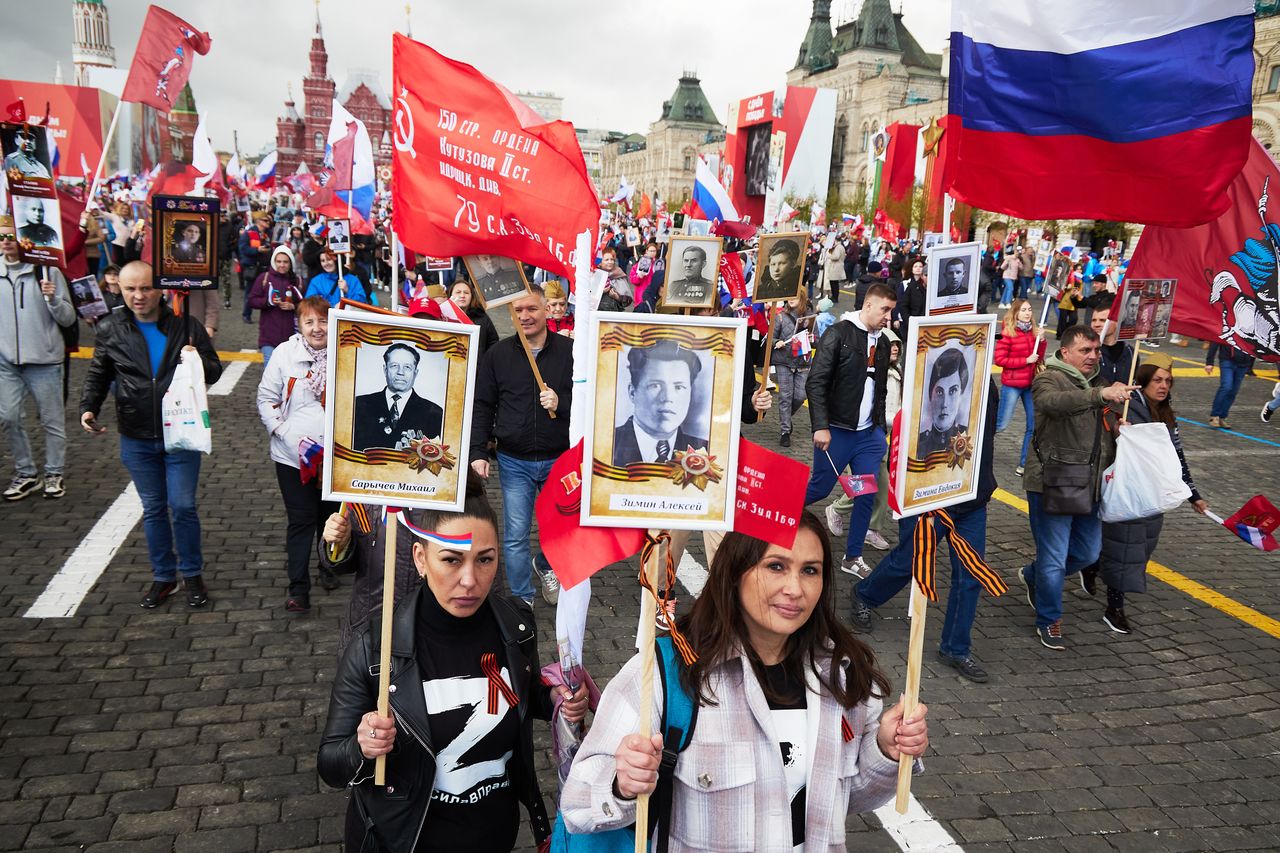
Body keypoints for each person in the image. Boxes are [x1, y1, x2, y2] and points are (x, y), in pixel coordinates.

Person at [560, 512, 930, 849]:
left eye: (810, 570)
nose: (795, 589)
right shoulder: (665, 673)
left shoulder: (841, 675)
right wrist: (622, 783)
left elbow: (847, 797)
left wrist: (885, 750)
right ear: (735, 572)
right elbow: (577, 803)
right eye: (776, 566)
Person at [317, 476, 588, 853]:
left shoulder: (515, 626)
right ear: (420, 559)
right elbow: (331, 764)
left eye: (485, 560)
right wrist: (362, 747)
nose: (469, 580)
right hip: (405, 841)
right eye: (451, 559)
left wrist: (554, 698)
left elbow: (518, 694)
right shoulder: (377, 650)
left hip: (494, 835)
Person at [80, 261, 223, 608]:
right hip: (136, 434)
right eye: (130, 289)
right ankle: (164, 577)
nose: (138, 296)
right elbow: (99, 372)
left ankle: (192, 573)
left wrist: (197, 361)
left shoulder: (185, 326)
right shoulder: (111, 328)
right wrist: (89, 407)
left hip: (181, 431)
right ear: (119, 289)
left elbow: (215, 370)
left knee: (183, 506)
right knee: (154, 508)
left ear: (160, 288)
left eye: (145, 288)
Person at [851, 378, 1000, 682]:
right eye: (942, 392)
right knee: (909, 561)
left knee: (970, 576)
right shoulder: (924, 376)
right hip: (930, 495)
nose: (947, 399)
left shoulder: (986, 385)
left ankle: (955, 648)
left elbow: (985, 438)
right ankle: (864, 594)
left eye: (955, 391)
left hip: (972, 498)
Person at [1021, 326, 1134, 649]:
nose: (1093, 356)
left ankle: (1033, 575)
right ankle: (1049, 618)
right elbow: (1056, 404)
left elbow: (1099, 423)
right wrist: (1100, 395)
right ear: (1066, 351)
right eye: (1086, 350)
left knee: (1087, 552)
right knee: (1055, 557)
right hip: (1053, 481)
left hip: (1090, 483)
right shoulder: (1048, 378)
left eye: (1096, 351)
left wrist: (1116, 426)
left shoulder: (1098, 381)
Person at [1082, 355, 1208, 634]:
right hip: (1128, 491)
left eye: (1168, 381)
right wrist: (1118, 431)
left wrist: (1193, 495)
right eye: (1158, 380)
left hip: (1153, 494)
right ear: (1144, 381)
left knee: (1139, 549)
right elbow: (1103, 433)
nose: (1163, 386)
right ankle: (1114, 607)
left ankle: (1092, 565)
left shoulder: (1165, 412)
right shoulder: (1126, 407)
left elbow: (1176, 456)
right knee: (1124, 549)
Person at [470, 290, 571, 606]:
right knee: (515, 536)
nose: (525, 316)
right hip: (514, 459)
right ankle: (522, 599)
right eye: (518, 310)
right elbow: (483, 404)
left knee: (560, 531)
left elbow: (592, 399)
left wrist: (562, 403)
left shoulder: (570, 351)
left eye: (532, 308)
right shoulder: (498, 355)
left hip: (559, 457)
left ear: (547, 310)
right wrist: (477, 452)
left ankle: (547, 566)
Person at [805, 283, 896, 578]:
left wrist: (879, 430)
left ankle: (852, 556)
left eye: (892, 311)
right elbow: (815, 382)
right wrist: (820, 426)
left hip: (867, 438)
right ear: (868, 305)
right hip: (837, 432)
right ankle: (776, 519)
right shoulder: (838, 334)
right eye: (885, 310)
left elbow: (879, 390)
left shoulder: (882, 343)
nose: (889, 317)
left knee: (865, 493)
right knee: (819, 488)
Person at [257, 295, 341, 612]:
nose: (317, 328)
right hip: (292, 455)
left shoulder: (346, 350)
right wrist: (282, 430)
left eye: (322, 321)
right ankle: (298, 586)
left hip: (333, 453)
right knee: (301, 518)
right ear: (299, 324)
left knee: (329, 516)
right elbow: (266, 398)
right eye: (309, 322)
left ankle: (328, 565)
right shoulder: (284, 354)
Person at [0, 214, 74, 500]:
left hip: (44, 360)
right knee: (7, 417)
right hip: (7, 361)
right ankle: (26, 473)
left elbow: (67, 319)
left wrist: (53, 298)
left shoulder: (46, 271)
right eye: (2, 237)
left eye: (11, 236)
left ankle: (54, 472)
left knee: (51, 420)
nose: (6, 242)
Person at [826, 328, 903, 552]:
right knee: (872, 483)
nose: (895, 348)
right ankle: (839, 510)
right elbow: (876, 409)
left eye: (898, 344)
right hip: (865, 435)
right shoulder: (876, 374)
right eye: (891, 343)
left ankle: (869, 528)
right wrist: (899, 419)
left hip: (881, 436)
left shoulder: (895, 373)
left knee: (877, 485)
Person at [612, 340, 708, 466]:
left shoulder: (706, 451)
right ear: (632, 392)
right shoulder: (605, 444)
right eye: (655, 385)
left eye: (679, 387)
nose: (667, 397)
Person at [352, 343, 444, 451]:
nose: (400, 372)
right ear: (385, 369)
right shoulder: (358, 405)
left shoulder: (435, 414)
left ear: (415, 373)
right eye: (394, 366)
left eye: (407, 367)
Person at [993, 299, 1046, 476]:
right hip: (1013, 384)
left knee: (1033, 425)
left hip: (1031, 384)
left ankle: (1024, 463)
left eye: (1030, 309)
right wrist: (1025, 361)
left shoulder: (1034, 332)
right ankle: (980, 450)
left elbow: (1039, 357)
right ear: (1015, 312)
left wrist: (1043, 340)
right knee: (1001, 424)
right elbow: (1000, 360)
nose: (1027, 313)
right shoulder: (1008, 332)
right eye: (1023, 310)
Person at [247, 245, 305, 365]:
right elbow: (252, 300)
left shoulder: (296, 281)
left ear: (291, 263)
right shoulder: (264, 278)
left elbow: (305, 304)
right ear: (274, 261)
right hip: (268, 336)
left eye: (285, 262)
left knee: (286, 374)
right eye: (278, 261)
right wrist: (268, 302)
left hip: (291, 337)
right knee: (269, 371)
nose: (282, 265)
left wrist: (293, 307)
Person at [771, 293, 811, 447]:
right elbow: (771, 337)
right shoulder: (780, 316)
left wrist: (813, 338)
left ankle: (786, 417)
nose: (791, 299)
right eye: (789, 296)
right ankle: (785, 431)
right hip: (784, 361)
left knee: (801, 395)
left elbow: (817, 341)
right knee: (785, 396)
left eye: (795, 296)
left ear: (802, 298)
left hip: (803, 361)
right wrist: (777, 342)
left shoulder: (810, 318)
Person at [916, 348, 971, 458]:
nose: (945, 403)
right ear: (931, 395)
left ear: (961, 393)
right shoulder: (918, 441)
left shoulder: (968, 436)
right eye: (940, 392)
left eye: (953, 391)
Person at [1205, 341, 1254, 429]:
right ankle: (1215, 416)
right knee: (1226, 387)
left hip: (1244, 363)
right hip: (1227, 360)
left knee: (1233, 391)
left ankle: (1222, 417)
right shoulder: (1227, 327)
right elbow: (1214, 340)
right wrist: (1209, 362)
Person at [446, 279, 499, 354]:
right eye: (458, 292)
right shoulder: (444, 317)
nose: (462, 296)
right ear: (450, 295)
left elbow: (493, 342)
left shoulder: (482, 317)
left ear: (472, 296)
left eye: (466, 293)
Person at [238, 213, 273, 323]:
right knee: (250, 291)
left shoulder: (269, 234)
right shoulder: (248, 233)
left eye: (268, 221)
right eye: (265, 220)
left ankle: (267, 315)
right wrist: (257, 250)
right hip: (253, 267)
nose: (268, 223)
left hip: (265, 266)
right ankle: (246, 314)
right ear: (258, 221)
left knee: (268, 291)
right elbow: (243, 249)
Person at [823, 234, 847, 302]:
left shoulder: (838, 247)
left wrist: (829, 256)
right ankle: (834, 296)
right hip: (837, 267)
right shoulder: (840, 247)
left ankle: (835, 297)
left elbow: (836, 256)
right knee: (834, 283)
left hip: (835, 267)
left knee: (834, 283)